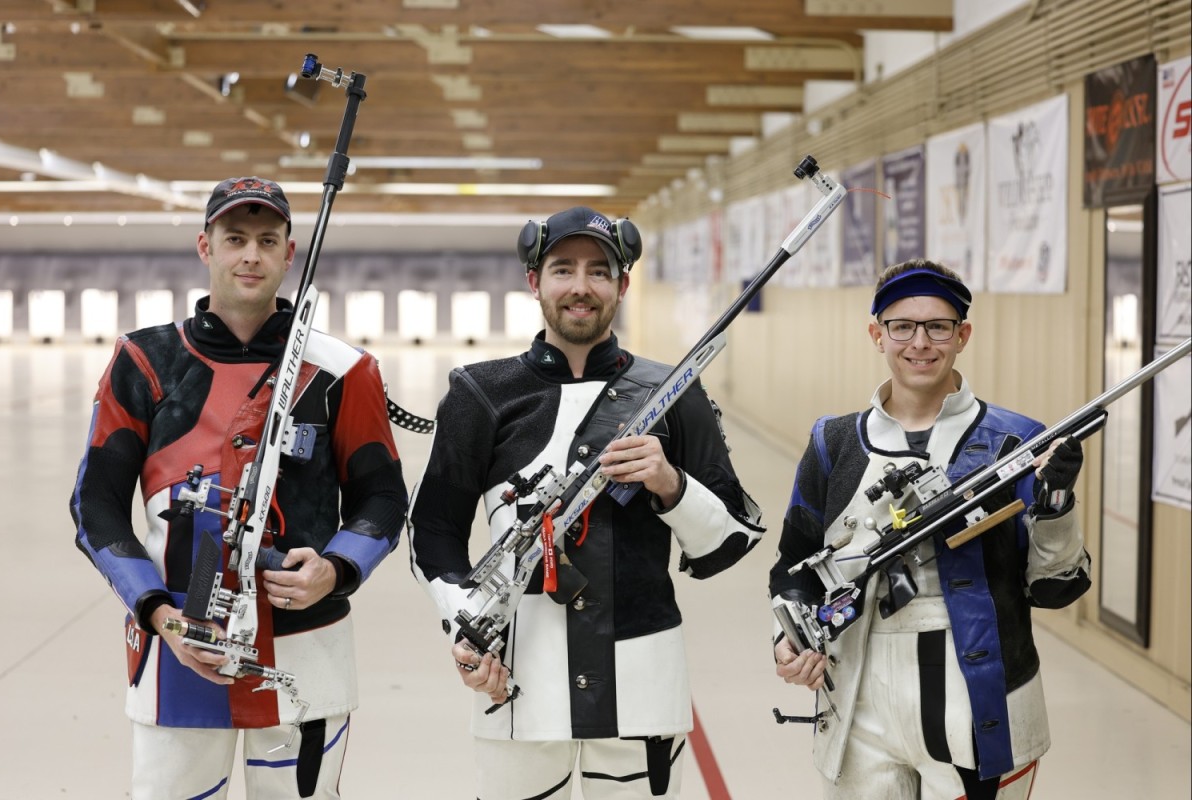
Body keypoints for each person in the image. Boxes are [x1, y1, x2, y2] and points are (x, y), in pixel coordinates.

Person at [407, 206, 765, 799]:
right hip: (516, 680)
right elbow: (432, 533)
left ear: (623, 286)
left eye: (600, 271)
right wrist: (468, 626)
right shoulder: (480, 392)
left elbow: (731, 541)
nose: (580, 286)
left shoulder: (671, 390)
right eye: (563, 269)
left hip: (642, 684)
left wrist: (670, 485)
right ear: (534, 281)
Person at [70, 176, 408, 799]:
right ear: (206, 247)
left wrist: (335, 569)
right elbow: (95, 505)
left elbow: (384, 499)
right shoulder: (143, 360)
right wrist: (157, 611)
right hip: (179, 644)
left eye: (266, 239)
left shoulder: (345, 370)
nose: (250, 254)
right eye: (234, 239)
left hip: (308, 649)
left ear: (290, 251)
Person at [769, 259, 1089, 799]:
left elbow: (1056, 589)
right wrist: (789, 639)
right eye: (902, 326)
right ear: (877, 334)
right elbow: (794, 565)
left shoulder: (1017, 443)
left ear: (962, 335)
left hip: (980, 703)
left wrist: (1056, 502)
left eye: (938, 326)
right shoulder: (833, 443)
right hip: (859, 705)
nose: (921, 342)